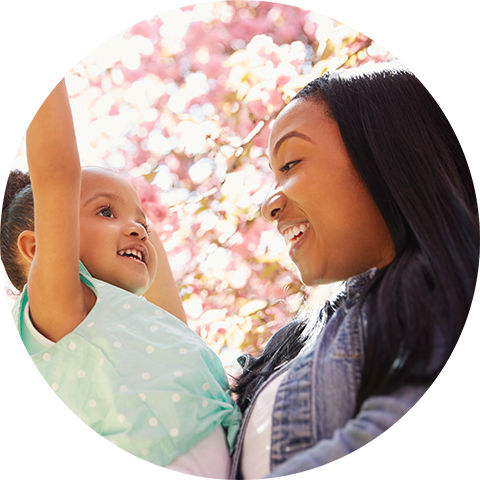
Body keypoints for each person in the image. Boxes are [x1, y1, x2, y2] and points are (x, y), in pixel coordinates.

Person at [230, 62, 480, 479]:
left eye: (290, 163)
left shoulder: (459, 274)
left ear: (383, 150)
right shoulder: (293, 345)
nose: (270, 205)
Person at [0, 79, 241, 479]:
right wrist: (40, 87)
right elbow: (58, 173)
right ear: (37, 248)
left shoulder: (158, 329)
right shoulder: (66, 310)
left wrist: (126, 209)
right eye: (106, 213)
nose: (138, 230)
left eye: (142, 222)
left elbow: (146, 243)